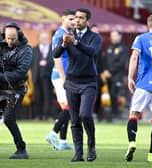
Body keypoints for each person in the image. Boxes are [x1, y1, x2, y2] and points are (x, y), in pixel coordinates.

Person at [53, 8, 102, 162]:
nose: (77, 20)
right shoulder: (68, 35)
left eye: (81, 18)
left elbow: (92, 52)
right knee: (74, 121)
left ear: (87, 20)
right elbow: (55, 54)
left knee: (85, 115)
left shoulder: (95, 37)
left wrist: (75, 42)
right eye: (75, 18)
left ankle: (91, 146)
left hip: (88, 81)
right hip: (72, 81)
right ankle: (78, 154)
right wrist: (63, 44)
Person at [124, 14, 152, 162]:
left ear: (149, 25)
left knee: (134, 113)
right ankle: (151, 156)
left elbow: (134, 57)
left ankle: (132, 143)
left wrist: (130, 77)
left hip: (143, 83)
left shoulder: (141, 38)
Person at [0, 22, 32, 159]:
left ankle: (21, 149)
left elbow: (21, 73)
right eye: (7, 38)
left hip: (16, 89)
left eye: (13, 38)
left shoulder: (26, 50)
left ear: (18, 36)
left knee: (8, 119)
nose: (10, 41)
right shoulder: (2, 46)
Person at [45, 9, 75, 151]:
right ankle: (53, 133)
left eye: (74, 19)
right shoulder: (60, 35)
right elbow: (57, 57)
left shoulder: (66, 34)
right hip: (61, 75)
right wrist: (63, 77)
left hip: (62, 75)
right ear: (62, 19)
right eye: (70, 19)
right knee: (70, 107)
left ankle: (62, 141)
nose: (73, 21)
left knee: (66, 108)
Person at [103, 30, 128, 120]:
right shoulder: (109, 47)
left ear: (120, 36)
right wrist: (105, 70)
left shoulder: (123, 48)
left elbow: (121, 63)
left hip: (118, 76)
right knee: (110, 94)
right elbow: (104, 60)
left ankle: (116, 114)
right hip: (108, 75)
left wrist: (110, 71)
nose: (113, 37)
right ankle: (113, 113)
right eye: (111, 36)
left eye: (114, 35)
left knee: (115, 94)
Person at [31, 32, 54, 120]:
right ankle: (37, 115)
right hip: (37, 76)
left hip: (48, 77)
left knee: (48, 96)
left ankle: (48, 115)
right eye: (43, 38)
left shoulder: (53, 49)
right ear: (39, 39)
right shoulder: (34, 50)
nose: (45, 40)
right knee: (37, 96)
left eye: (46, 38)